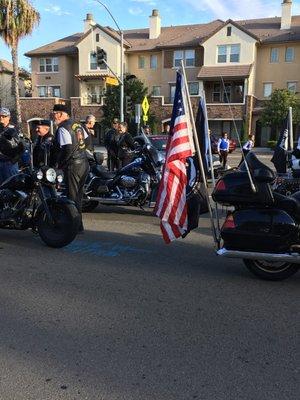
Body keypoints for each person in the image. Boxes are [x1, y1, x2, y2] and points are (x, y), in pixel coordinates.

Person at [52, 104, 89, 232]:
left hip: (73, 165)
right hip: (84, 163)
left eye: (55, 113)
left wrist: (60, 163)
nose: (54, 116)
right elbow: (88, 140)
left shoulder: (63, 128)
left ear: (61, 114)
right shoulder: (77, 124)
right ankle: (79, 225)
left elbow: (66, 148)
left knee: (72, 197)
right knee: (78, 196)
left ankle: (73, 226)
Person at [0, 107, 24, 184]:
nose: (1, 118)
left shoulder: (14, 130)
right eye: (0, 116)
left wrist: (13, 160)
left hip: (9, 163)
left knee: (12, 186)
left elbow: (21, 147)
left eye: (4, 116)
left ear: (9, 117)